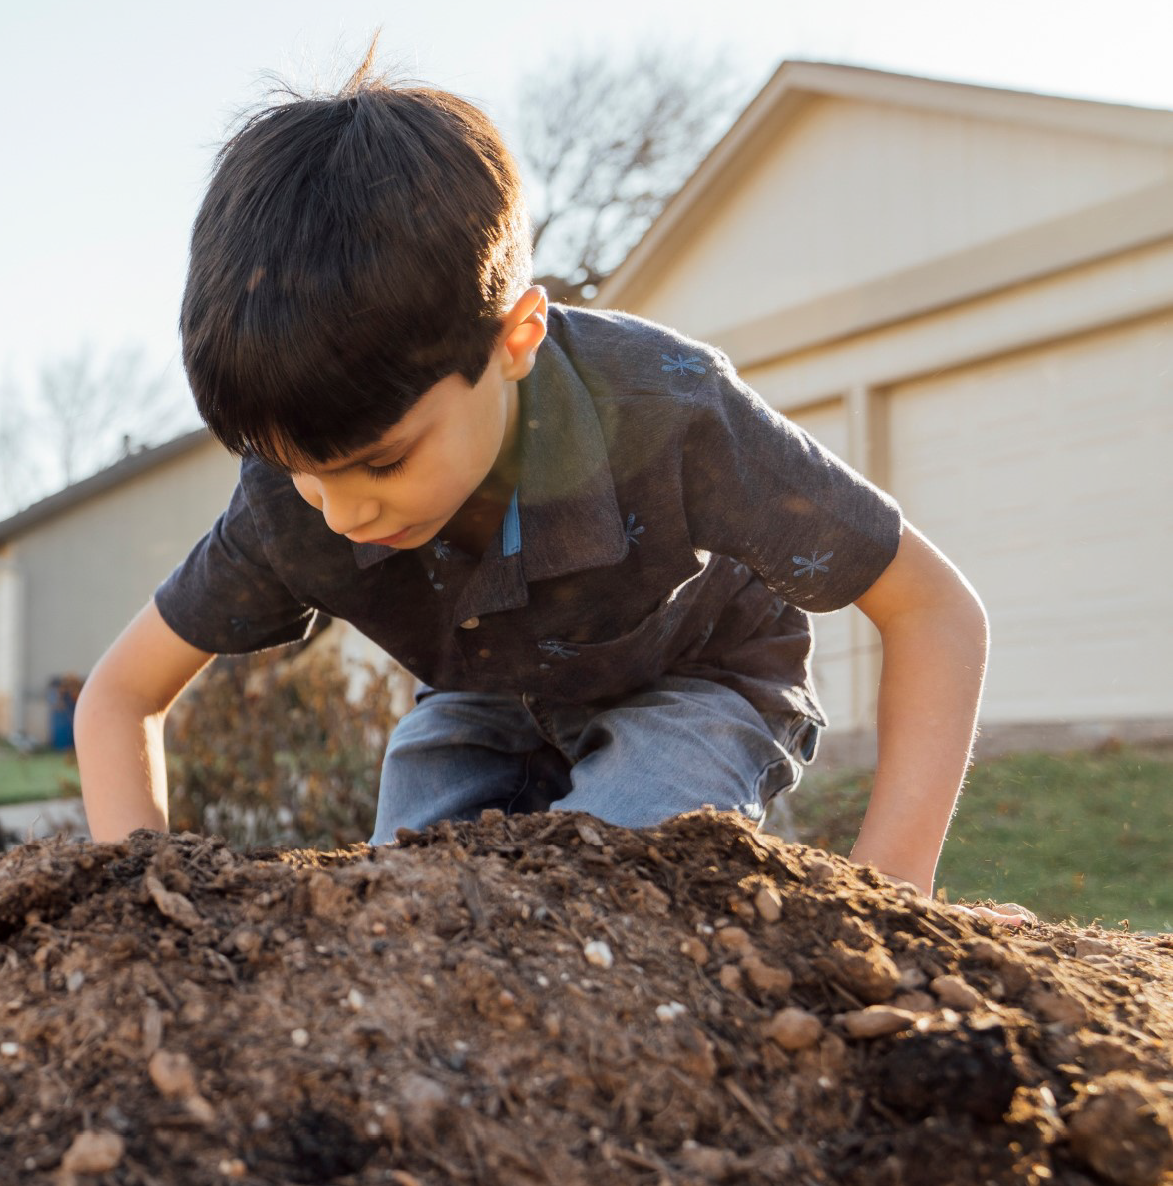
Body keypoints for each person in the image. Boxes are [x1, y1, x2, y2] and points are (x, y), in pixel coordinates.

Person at [77, 58, 1006, 910]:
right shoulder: (288, 509)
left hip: (696, 678)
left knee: (606, 898)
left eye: (384, 462)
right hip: (480, 700)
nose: (346, 513)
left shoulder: (669, 409)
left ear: (515, 338)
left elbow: (935, 610)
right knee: (401, 910)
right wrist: (142, 909)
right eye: (302, 471)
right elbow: (120, 696)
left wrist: (896, 888)